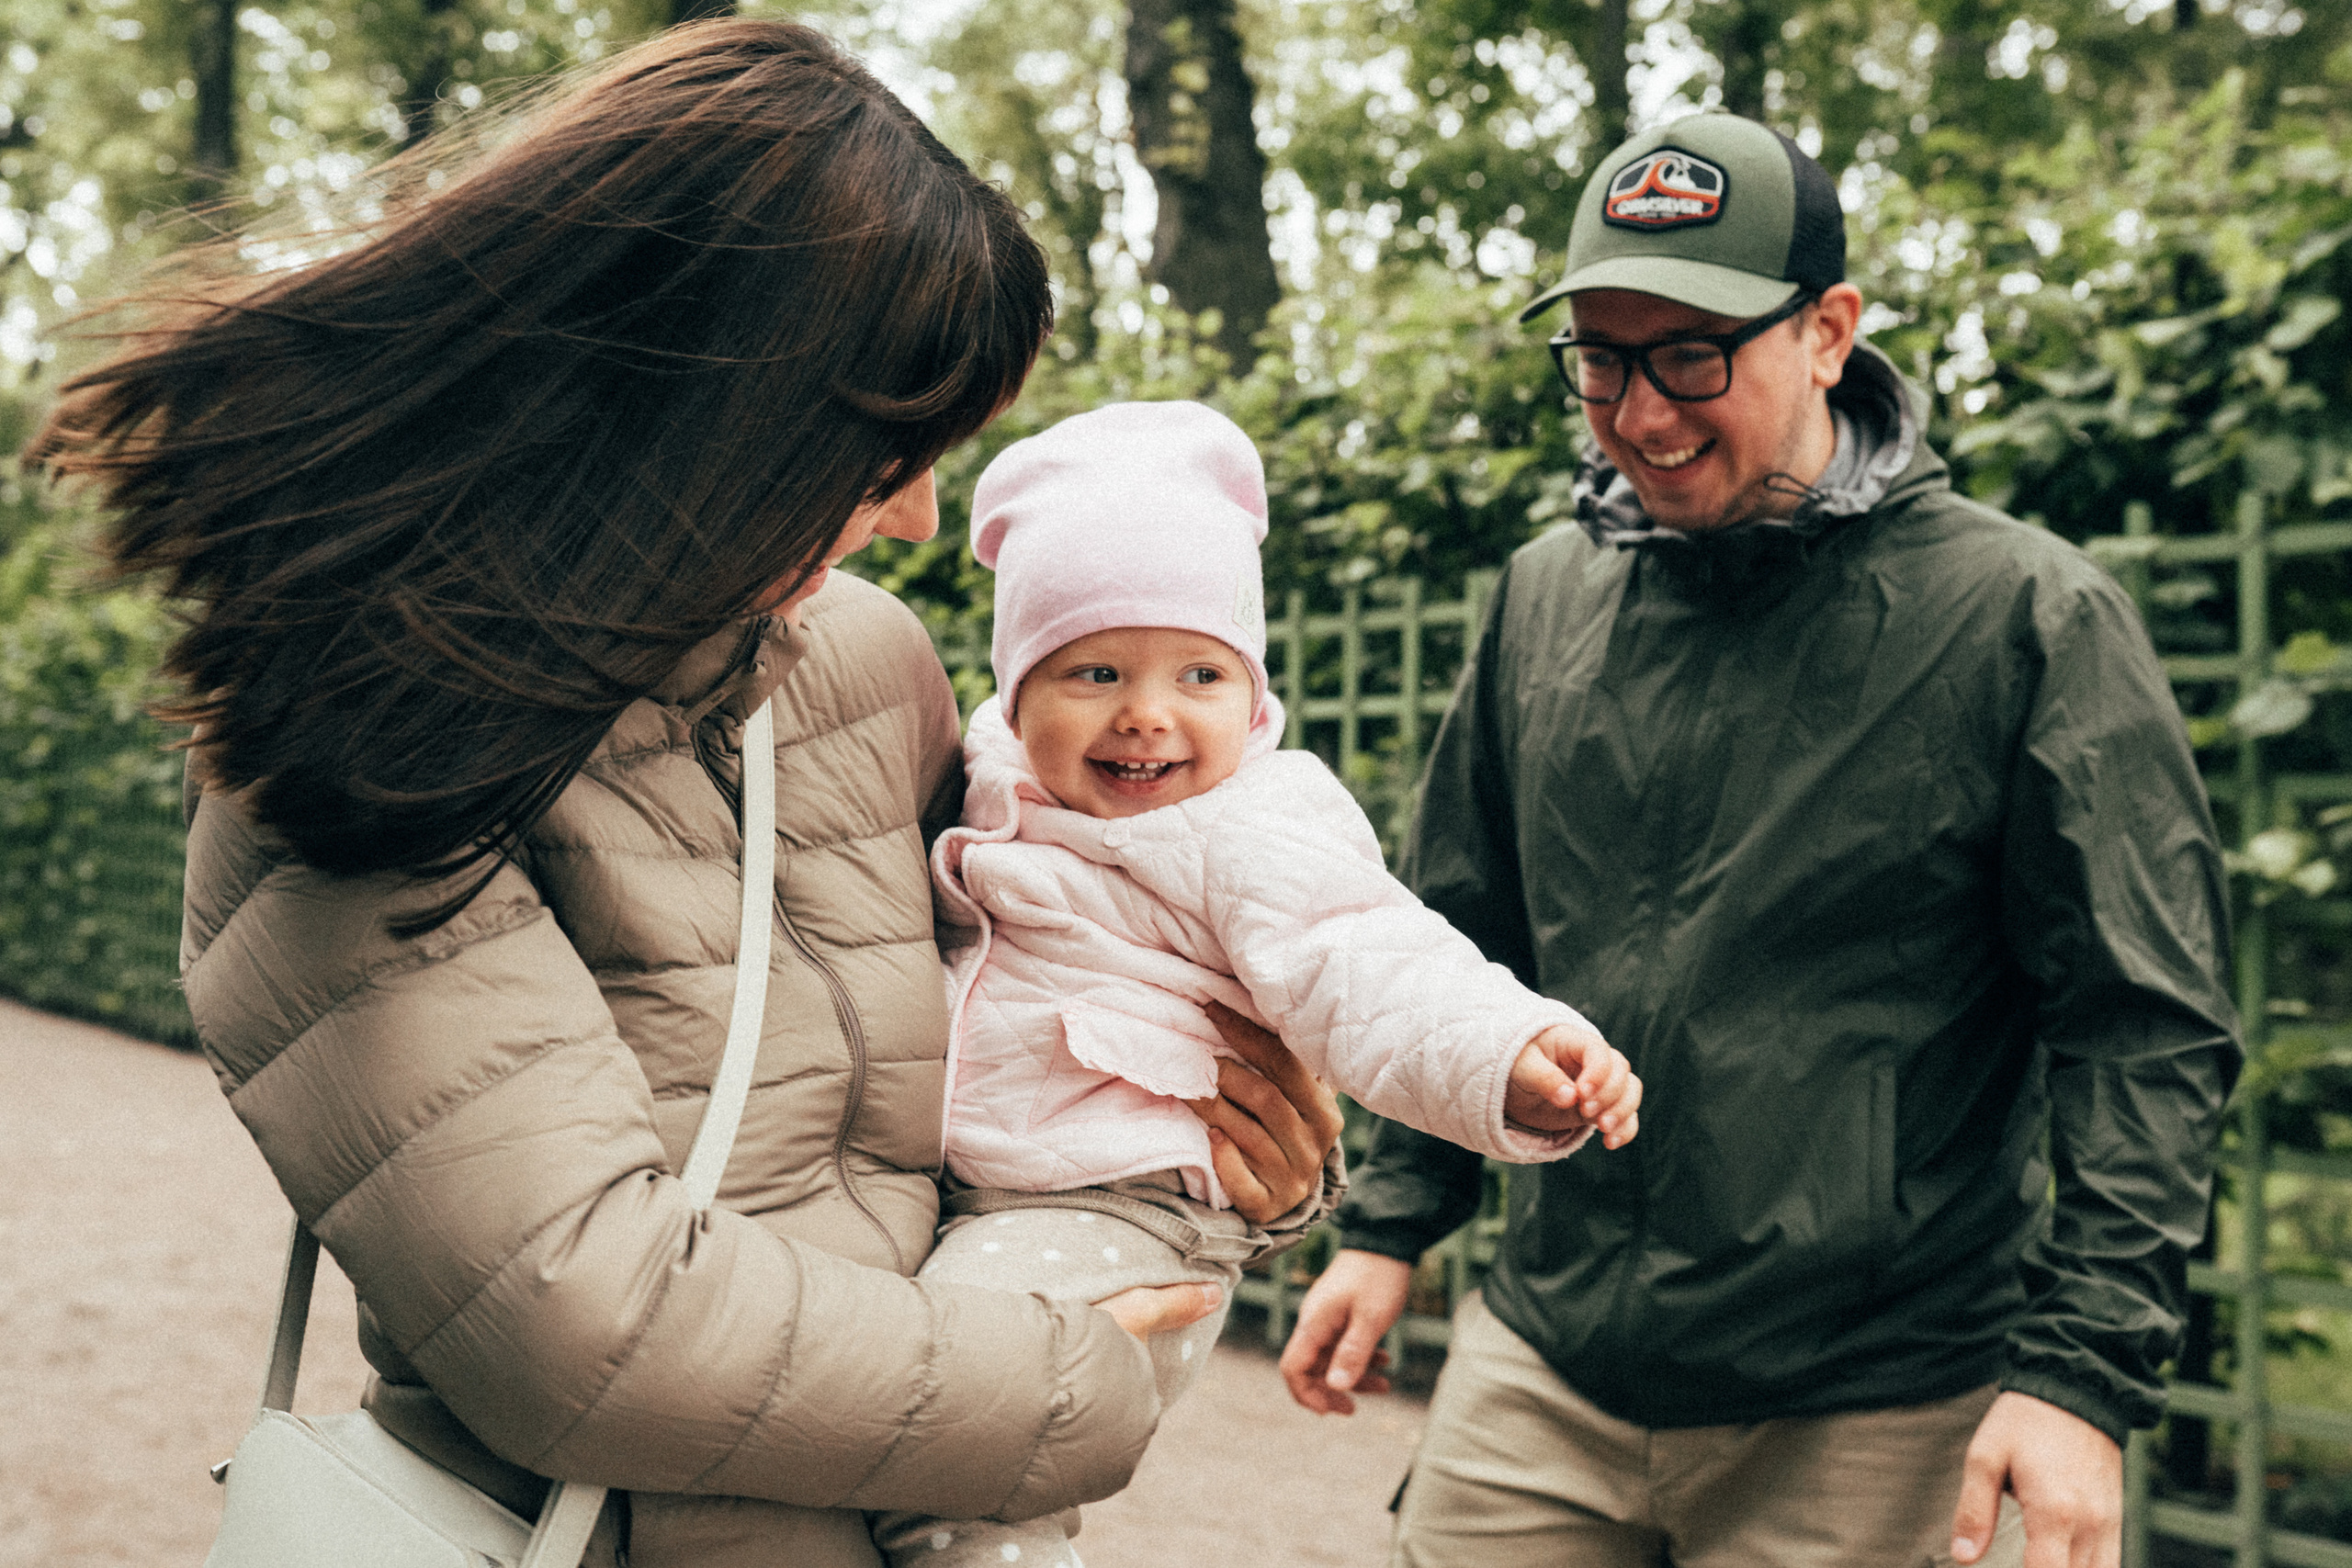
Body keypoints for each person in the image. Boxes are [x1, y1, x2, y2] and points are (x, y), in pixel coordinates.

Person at [28, 23, 1340, 1568]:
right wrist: (1088, 1374)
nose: (919, 513)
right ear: (715, 411)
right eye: (886, 450)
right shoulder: (345, 743)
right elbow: (584, 1319)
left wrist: (1222, 1153)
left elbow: (1057, 977)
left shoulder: (865, 663)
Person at [1278, 112, 2240, 1568]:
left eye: (1691, 357)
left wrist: (2082, 1377)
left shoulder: (2026, 619)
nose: (1642, 413)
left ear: (1830, 332)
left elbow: (2142, 1024)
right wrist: (1396, 1217)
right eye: (1601, 359)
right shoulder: (1542, 595)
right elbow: (1461, 934)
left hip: (1873, 1404)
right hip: (1549, 1359)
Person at [864, 399, 1641, 1568]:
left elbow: (1370, 959)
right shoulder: (981, 788)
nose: (1147, 712)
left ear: (1254, 697)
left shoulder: (1248, 827)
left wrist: (1505, 1059)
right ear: (1016, 694)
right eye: (1094, 669)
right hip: (987, 1192)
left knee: (959, 1448)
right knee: (908, 1444)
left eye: (1199, 673)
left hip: (1121, 1211)